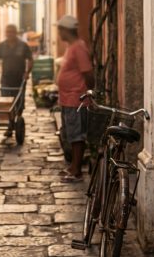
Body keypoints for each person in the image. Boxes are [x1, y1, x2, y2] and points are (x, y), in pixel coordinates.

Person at [55, 15, 94, 182]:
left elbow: (88, 72)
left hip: (76, 99)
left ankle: (76, 171)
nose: (59, 34)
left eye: (60, 30)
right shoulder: (71, 46)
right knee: (71, 134)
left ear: (66, 30)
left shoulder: (78, 47)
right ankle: (73, 167)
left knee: (77, 135)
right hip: (68, 98)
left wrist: (88, 92)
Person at [0, 24, 33, 137]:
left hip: (19, 79)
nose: (9, 34)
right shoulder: (1, 46)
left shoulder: (23, 46)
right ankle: (10, 125)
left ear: (16, 32)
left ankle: (18, 121)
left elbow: (30, 59)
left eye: (12, 32)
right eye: (8, 32)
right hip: (6, 79)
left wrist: (27, 72)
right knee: (6, 102)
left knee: (19, 103)